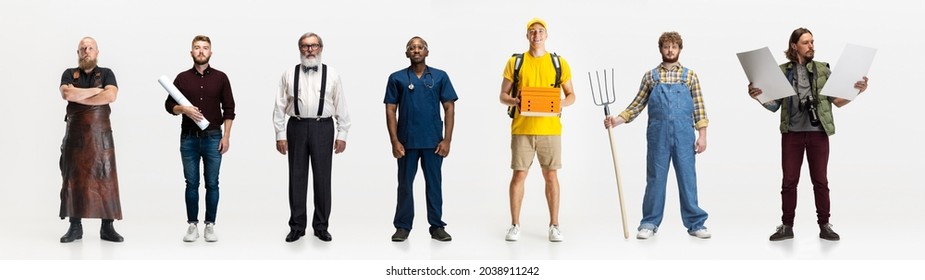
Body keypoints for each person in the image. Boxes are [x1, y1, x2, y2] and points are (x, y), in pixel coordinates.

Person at [748, 27, 869, 241]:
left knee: (820, 181)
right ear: (794, 46)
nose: (811, 46)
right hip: (792, 133)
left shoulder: (822, 69)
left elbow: (837, 102)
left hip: (818, 132)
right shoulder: (781, 71)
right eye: (806, 42)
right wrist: (758, 97)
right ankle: (787, 226)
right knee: (789, 181)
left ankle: (825, 225)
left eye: (812, 42)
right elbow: (774, 105)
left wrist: (857, 91)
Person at [604, 32, 712, 240]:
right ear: (660, 49)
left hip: (684, 135)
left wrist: (703, 135)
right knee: (655, 179)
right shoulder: (650, 76)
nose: (670, 50)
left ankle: (696, 223)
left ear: (680, 49)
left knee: (688, 179)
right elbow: (637, 104)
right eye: (666, 46)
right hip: (658, 136)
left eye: (674, 47)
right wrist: (616, 120)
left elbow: (699, 108)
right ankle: (649, 223)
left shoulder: (690, 76)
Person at [498, 18, 576, 242]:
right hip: (522, 128)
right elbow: (502, 96)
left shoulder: (558, 63)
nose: (537, 35)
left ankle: (554, 225)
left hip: (550, 129)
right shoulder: (516, 62)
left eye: (541, 31)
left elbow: (572, 95)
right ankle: (514, 225)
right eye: (532, 32)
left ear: (546, 35)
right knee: (519, 175)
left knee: (551, 175)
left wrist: (559, 103)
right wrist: (516, 101)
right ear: (527, 36)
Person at [273, 32, 351, 243]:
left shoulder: (332, 74)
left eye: (314, 46)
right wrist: (280, 134)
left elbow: (341, 104)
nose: (309, 50)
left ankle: (321, 226)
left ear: (321, 48)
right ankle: (297, 226)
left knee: (323, 179)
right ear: (299, 48)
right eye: (305, 46)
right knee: (296, 178)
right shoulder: (289, 74)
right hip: (296, 126)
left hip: (323, 127)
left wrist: (342, 133)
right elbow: (280, 106)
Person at [384, 36, 458, 242]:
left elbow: (449, 107)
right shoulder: (396, 78)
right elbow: (390, 110)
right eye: (411, 47)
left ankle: (436, 226)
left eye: (420, 47)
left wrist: (447, 140)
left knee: (434, 184)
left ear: (427, 52)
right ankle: (402, 227)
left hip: (434, 142)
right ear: (406, 53)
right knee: (405, 185)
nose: (416, 50)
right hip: (406, 142)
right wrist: (394, 141)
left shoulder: (440, 76)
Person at [165, 35, 236, 243]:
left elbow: (230, 109)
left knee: (212, 183)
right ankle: (192, 225)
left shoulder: (221, 78)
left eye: (205, 48)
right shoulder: (181, 78)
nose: (201, 51)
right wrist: (183, 109)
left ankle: (210, 225)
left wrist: (227, 136)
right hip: (188, 139)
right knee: (191, 183)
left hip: (214, 137)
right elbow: (169, 106)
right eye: (197, 48)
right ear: (191, 52)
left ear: (211, 52)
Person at [58, 36, 124, 243]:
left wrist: (82, 96)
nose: (86, 51)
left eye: (90, 48)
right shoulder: (69, 73)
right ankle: (75, 227)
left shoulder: (107, 73)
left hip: (101, 139)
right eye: (82, 48)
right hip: (75, 138)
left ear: (97, 52)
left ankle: (108, 227)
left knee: (107, 181)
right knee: (73, 181)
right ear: (78, 53)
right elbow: (67, 94)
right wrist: (96, 91)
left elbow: (110, 96)